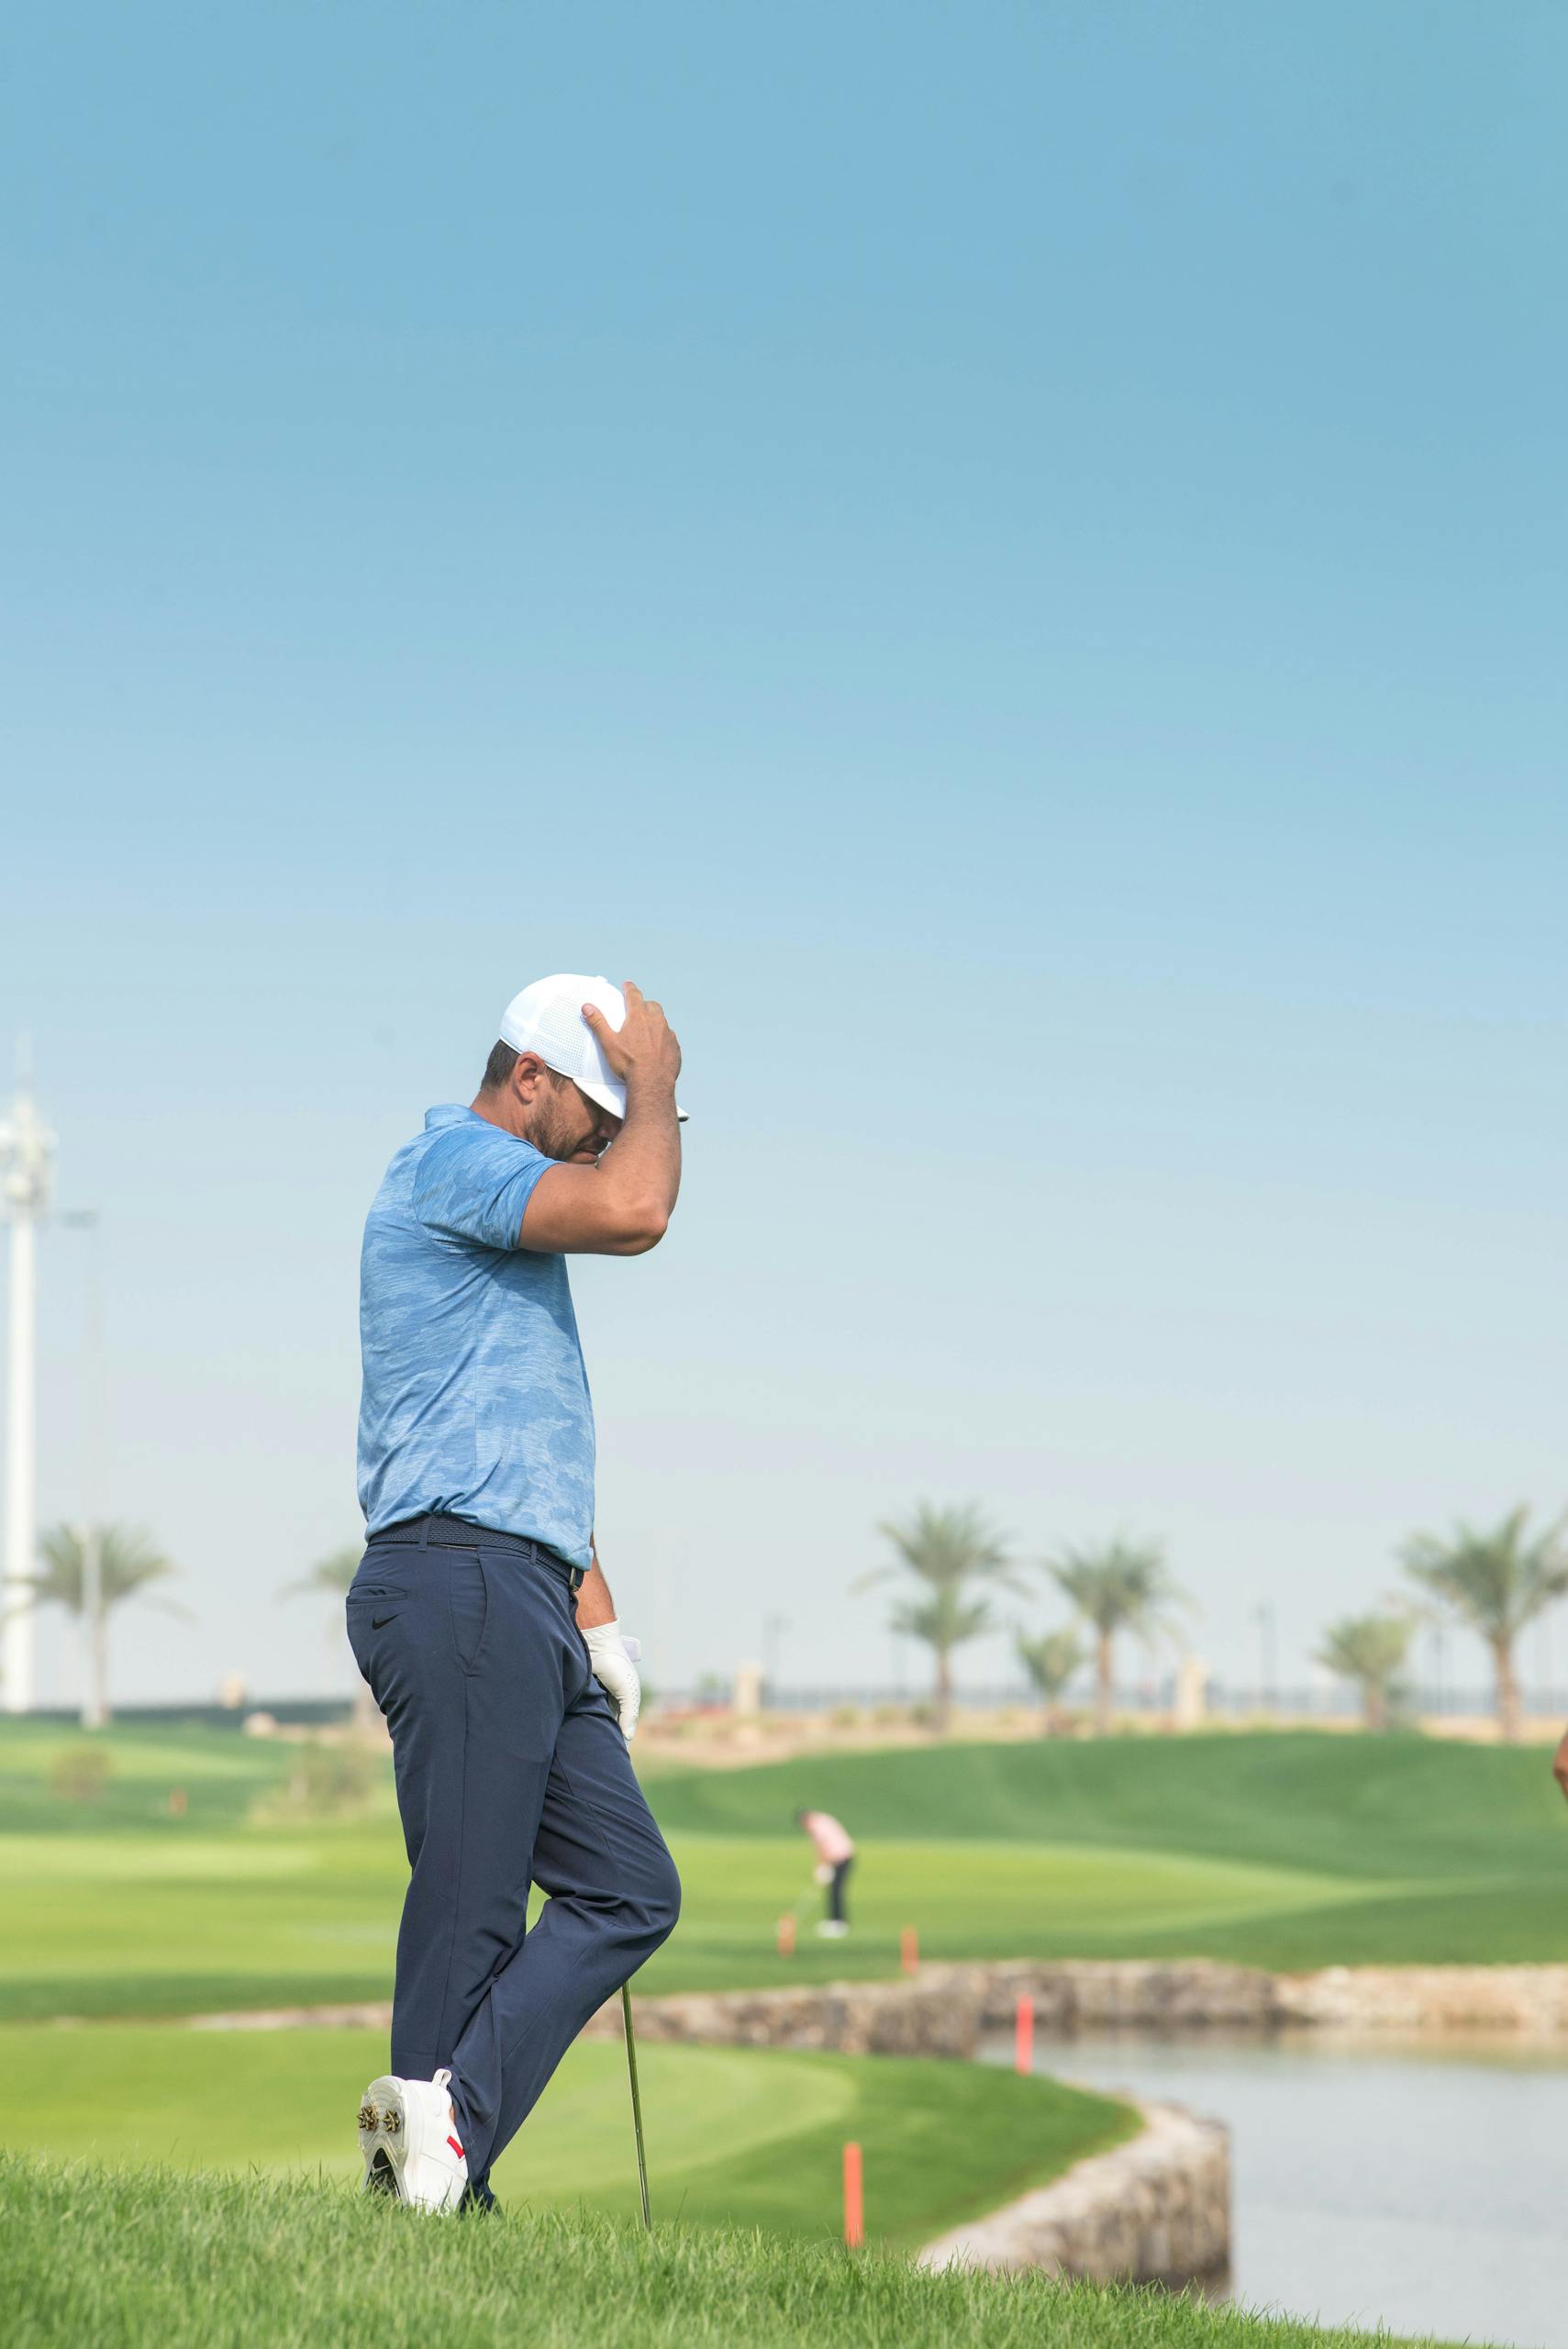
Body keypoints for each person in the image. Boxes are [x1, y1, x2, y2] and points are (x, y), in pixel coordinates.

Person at [348, 974, 685, 2211]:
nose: (606, 1138)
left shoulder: (510, 1227)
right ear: (528, 1079)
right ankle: (427, 2195)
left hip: (523, 1588)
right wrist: (657, 1080)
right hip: (460, 1579)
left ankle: (444, 2148)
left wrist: (601, 1623)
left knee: (628, 1886)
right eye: (596, 1112)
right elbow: (639, 1208)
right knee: (471, 1911)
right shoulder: (452, 1166)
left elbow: (523, 1445)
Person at [795, 1807, 854, 1937]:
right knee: (833, 1890)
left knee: (836, 1890)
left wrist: (823, 1867)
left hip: (842, 1858)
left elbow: (823, 1847)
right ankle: (835, 1920)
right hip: (839, 1857)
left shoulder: (816, 1826)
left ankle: (839, 1923)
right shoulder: (822, 1819)